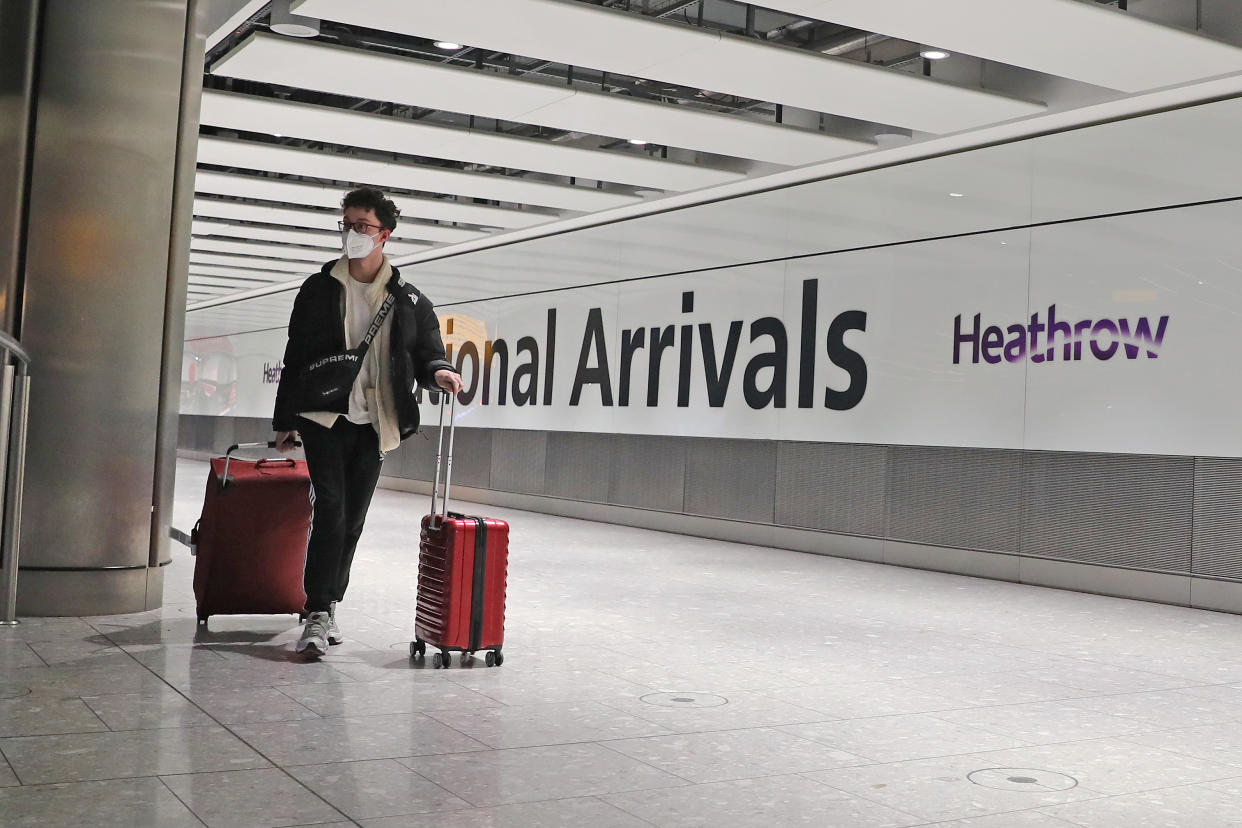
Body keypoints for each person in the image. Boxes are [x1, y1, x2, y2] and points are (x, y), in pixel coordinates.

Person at [273, 187, 463, 657]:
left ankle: (330, 604)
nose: (352, 234)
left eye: (362, 226)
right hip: (324, 416)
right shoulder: (318, 289)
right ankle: (316, 611)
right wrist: (284, 419)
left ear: (386, 235)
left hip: (376, 421)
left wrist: (439, 371)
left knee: (352, 520)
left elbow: (427, 351)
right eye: (347, 224)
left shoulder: (408, 298)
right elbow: (295, 356)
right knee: (332, 510)